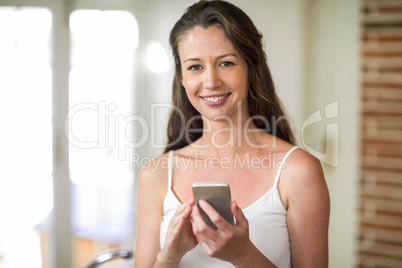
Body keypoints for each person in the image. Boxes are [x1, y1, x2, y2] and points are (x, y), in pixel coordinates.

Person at [135, 0, 330, 267]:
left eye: (226, 63)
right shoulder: (155, 176)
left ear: (252, 68)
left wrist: (242, 255)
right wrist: (169, 257)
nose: (211, 82)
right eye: (195, 67)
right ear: (181, 77)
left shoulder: (298, 171)